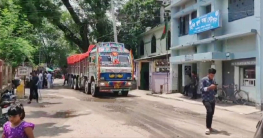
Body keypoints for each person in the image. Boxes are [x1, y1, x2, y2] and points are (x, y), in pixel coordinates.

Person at [200, 68, 217, 135]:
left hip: (212, 99)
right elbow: (201, 89)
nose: (212, 76)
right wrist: (209, 87)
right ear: (208, 74)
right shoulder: (204, 80)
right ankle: (207, 128)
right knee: (209, 111)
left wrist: (215, 88)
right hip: (206, 99)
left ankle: (210, 127)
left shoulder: (214, 80)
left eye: (213, 75)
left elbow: (215, 88)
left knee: (211, 113)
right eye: (211, 75)